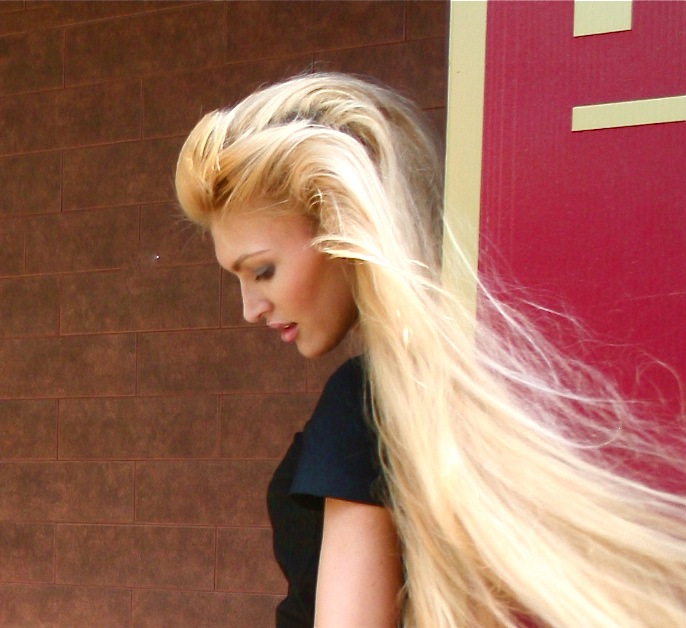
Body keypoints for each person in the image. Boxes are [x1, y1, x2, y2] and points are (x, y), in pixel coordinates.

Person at [175, 73, 686, 627]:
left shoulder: (364, 405)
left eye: (262, 271)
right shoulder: (436, 398)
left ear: (345, 224)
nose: (250, 309)